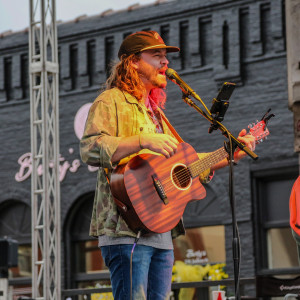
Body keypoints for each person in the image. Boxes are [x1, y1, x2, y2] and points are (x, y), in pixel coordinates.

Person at [80, 30, 256, 300]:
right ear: (134, 62)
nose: (166, 63)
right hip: (125, 229)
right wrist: (141, 140)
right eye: (157, 55)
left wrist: (231, 153)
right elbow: (90, 148)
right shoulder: (111, 100)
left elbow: (186, 166)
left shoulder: (156, 112)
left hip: (160, 228)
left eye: (166, 57)